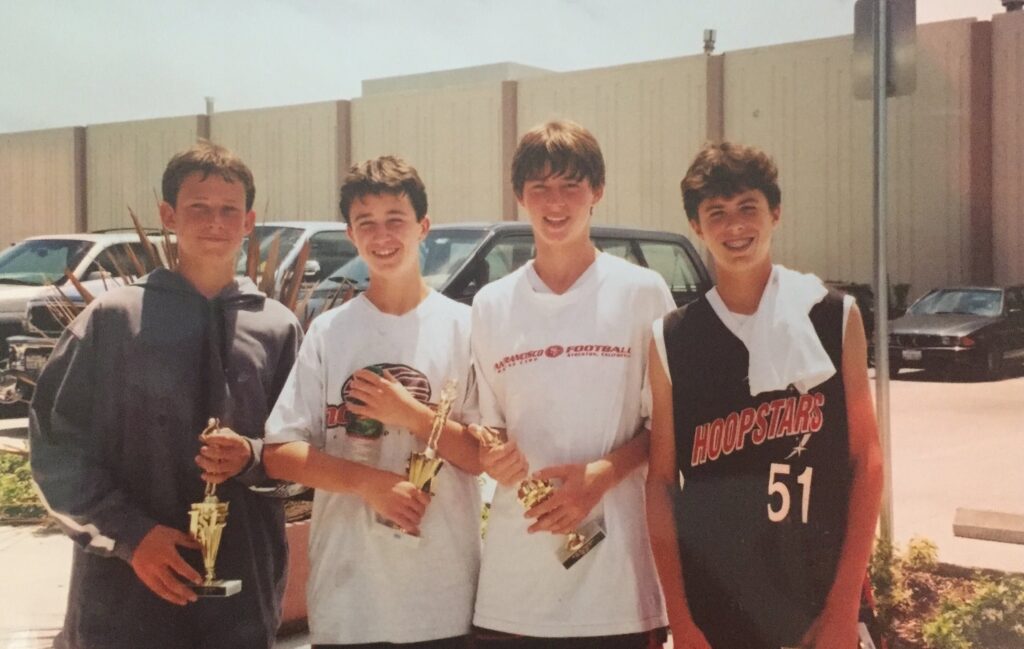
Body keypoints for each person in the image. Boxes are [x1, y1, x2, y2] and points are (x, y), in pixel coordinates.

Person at [29, 140, 302, 649]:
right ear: (168, 214)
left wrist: (253, 456)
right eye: (198, 208)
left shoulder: (277, 328)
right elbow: (55, 448)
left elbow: (304, 453)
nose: (215, 222)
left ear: (249, 222)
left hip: (242, 597)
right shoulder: (112, 321)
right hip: (124, 596)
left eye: (229, 211)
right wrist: (131, 537)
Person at [645, 141, 884, 649]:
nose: (734, 227)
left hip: (819, 600)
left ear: (775, 212)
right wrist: (682, 623)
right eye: (717, 213)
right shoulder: (671, 337)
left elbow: (867, 461)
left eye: (747, 208)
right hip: (718, 609)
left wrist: (844, 611)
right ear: (696, 226)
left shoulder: (832, 315)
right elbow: (662, 483)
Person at [262, 155, 483, 649]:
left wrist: (409, 415)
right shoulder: (330, 332)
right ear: (351, 234)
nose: (383, 236)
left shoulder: (464, 327)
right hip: (349, 602)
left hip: (443, 600)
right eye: (367, 224)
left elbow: (480, 455)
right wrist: (371, 484)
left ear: (423, 227)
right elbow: (279, 452)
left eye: (395, 220)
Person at [470, 120, 672, 648]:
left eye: (570, 185)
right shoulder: (491, 305)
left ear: (597, 192)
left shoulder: (642, 294)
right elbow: (484, 427)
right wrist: (491, 453)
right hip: (515, 595)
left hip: (619, 598)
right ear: (520, 196)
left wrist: (603, 474)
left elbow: (672, 428)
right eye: (539, 187)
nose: (554, 202)